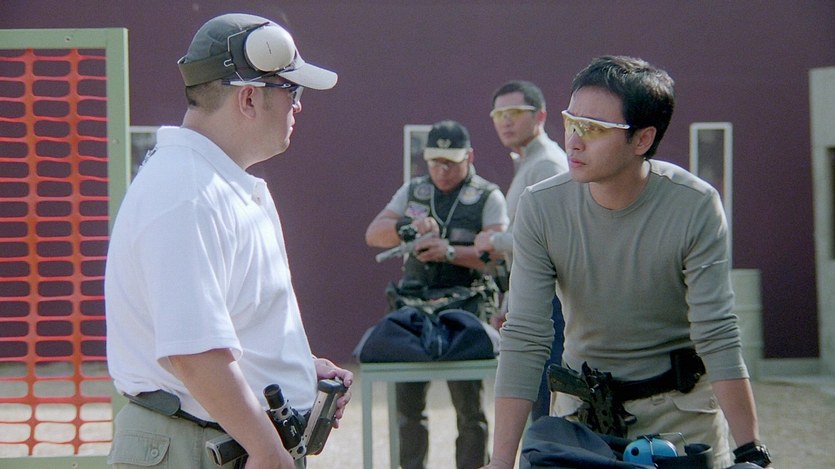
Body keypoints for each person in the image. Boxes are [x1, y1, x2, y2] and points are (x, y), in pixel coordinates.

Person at [485, 56, 771, 469]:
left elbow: (716, 332)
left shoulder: (694, 205)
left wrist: (751, 451)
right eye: (571, 122)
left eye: (594, 129)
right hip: (581, 421)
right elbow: (526, 336)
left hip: (680, 420)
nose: (574, 141)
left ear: (642, 139)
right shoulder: (541, 207)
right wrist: (500, 460)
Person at [105, 13, 353, 469]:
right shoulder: (187, 193)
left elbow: (220, 326)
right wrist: (266, 449)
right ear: (249, 97)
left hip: (213, 441)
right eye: (291, 91)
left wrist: (296, 366)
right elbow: (194, 352)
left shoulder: (208, 183)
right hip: (199, 447)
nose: (298, 107)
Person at [365, 120, 509, 469]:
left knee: (470, 408)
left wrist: (449, 252)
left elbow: (499, 253)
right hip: (415, 303)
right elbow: (374, 234)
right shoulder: (414, 190)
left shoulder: (487, 195)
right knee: (408, 406)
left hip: (466, 304)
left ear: (469, 157)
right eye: (434, 162)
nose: (441, 170)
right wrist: (407, 228)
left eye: (450, 162)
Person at [474, 80, 568, 422]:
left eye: (515, 112)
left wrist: (493, 242)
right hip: (532, 300)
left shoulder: (547, 165)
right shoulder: (529, 162)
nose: (505, 120)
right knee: (535, 409)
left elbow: (553, 240)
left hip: (550, 305)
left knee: (546, 414)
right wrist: (509, 304)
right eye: (498, 114)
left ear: (540, 116)